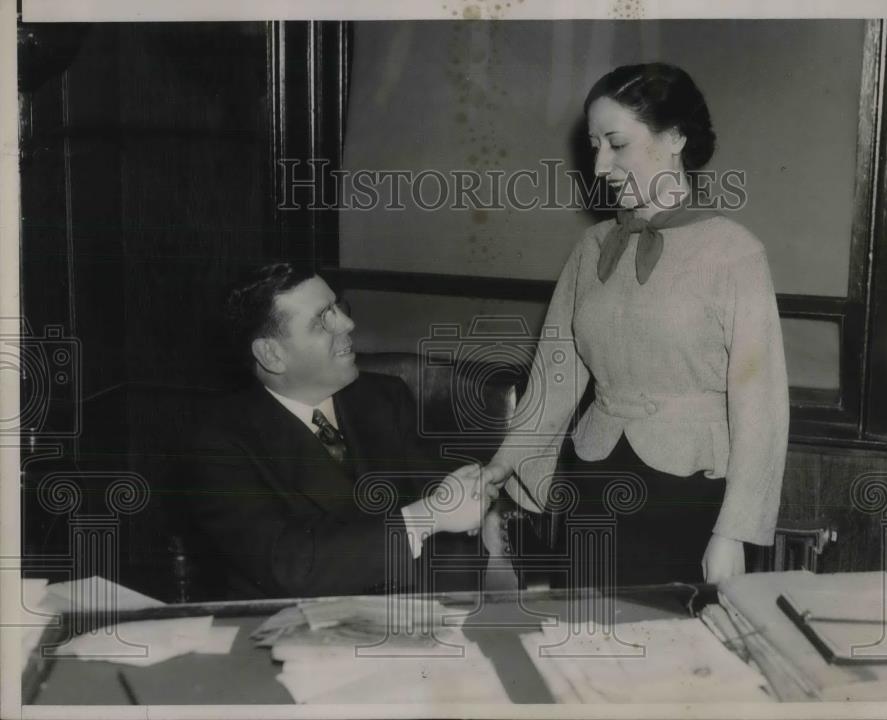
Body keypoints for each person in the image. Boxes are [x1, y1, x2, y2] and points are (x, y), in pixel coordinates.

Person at [487, 63, 789, 586]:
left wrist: (733, 533)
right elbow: (553, 383)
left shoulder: (735, 254)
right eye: (594, 145)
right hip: (593, 485)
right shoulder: (592, 248)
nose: (600, 165)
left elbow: (760, 408)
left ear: (674, 138)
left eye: (616, 143)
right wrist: (499, 473)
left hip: (690, 497)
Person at [185, 263, 503, 599]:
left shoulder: (383, 398)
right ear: (272, 354)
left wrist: (470, 487)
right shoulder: (217, 442)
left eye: (338, 306)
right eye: (323, 319)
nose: (348, 323)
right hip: (291, 628)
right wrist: (430, 515)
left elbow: (435, 485)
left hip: (403, 612)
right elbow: (291, 567)